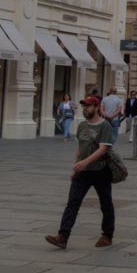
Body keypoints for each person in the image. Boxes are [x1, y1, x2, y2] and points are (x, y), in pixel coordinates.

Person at [45, 96, 115, 249]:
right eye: (84, 106)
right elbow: (80, 148)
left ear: (97, 108)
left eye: (88, 106)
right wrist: (76, 166)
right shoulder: (82, 125)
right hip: (82, 172)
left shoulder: (105, 126)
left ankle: (107, 234)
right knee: (73, 202)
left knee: (105, 203)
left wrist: (84, 162)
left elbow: (103, 149)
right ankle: (62, 236)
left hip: (101, 170)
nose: (85, 109)